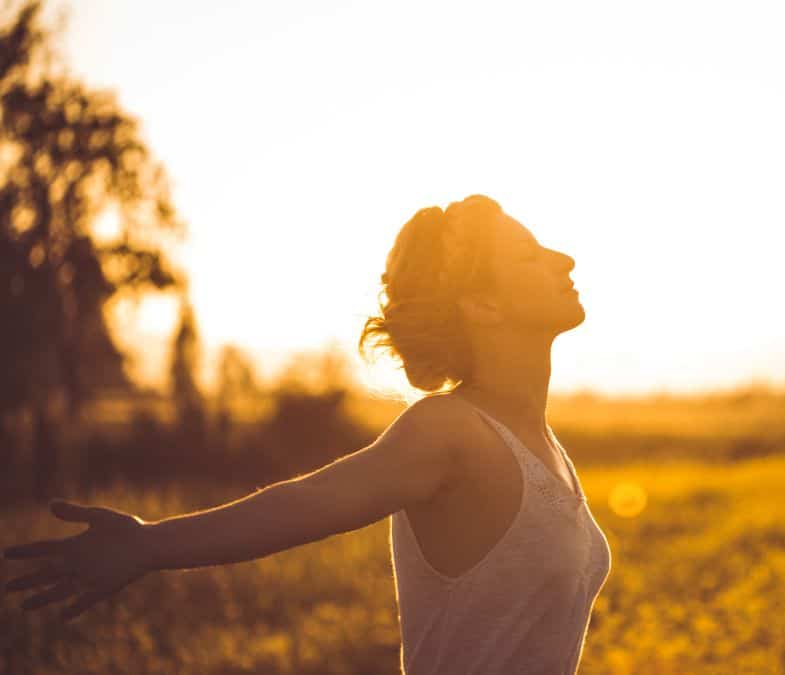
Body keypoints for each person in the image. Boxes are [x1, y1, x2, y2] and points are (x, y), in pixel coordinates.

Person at [3, 194, 612, 675]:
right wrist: (147, 544)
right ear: (483, 306)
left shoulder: (542, 443)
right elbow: (304, 503)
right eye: (531, 256)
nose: (565, 260)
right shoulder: (450, 432)